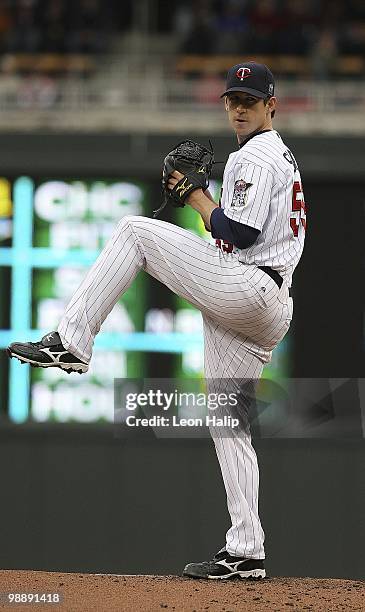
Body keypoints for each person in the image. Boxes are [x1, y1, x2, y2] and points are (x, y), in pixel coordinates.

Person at [8, 61, 306, 580]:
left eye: (250, 101)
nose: (239, 107)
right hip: (262, 302)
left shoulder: (259, 155)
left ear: (271, 106)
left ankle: (73, 342)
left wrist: (195, 194)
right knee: (228, 422)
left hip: (249, 283)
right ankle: (247, 549)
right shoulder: (269, 156)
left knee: (134, 231)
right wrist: (203, 199)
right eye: (232, 99)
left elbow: (240, 234)